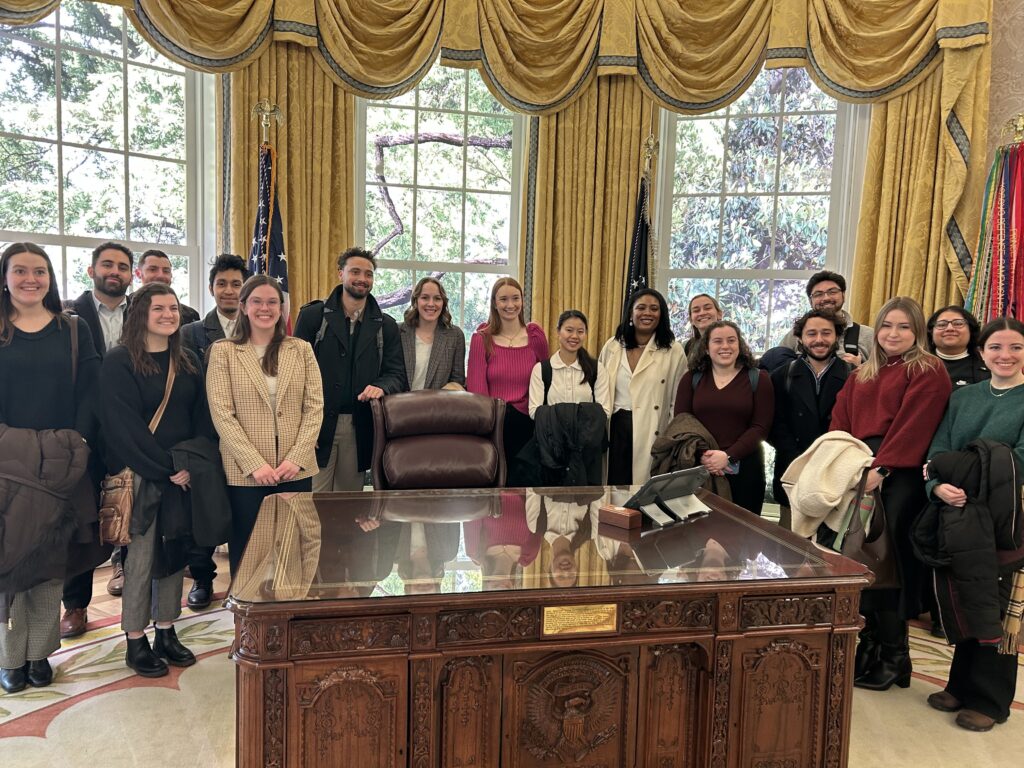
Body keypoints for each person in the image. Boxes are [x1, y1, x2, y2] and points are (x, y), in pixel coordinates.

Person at [829, 296, 951, 691]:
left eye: (903, 327)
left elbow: (916, 424)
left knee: (888, 559)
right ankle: (868, 647)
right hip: (859, 468)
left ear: (917, 331)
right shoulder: (862, 374)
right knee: (857, 558)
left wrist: (883, 467)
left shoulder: (928, 370)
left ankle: (896, 657)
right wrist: (844, 463)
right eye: (886, 326)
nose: (893, 334)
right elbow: (840, 420)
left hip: (898, 474)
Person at [0, 243, 100, 693]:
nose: (30, 279)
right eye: (19, 271)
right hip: (5, 464)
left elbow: (92, 393)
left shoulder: (73, 330)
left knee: (48, 566)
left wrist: (77, 442)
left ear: (50, 277)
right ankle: (8, 659)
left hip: (62, 463)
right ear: (4, 277)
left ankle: (39, 653)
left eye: (39, 271)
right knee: (6, 565)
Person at [98, 282, 211, 677]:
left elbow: (201, 418)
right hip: (142, 476)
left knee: (174, 556)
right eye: (158, 308)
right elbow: (122, 429)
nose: (168, 314)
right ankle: (134, 639)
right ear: (140, 314)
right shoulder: (119, 362)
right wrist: (167, 469)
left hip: (180, 477)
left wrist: (189, 464)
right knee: (142, 560)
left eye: (173, 308)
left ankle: (166, 630)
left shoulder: (190, 359)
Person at [919, 316, 1024, 732]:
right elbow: (937, 450)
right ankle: (960, 684)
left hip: (1005, 516)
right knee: (961, 594)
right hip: (956, 506)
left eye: (1015, 347)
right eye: (996, 347)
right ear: (982, 353)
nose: (1005, 355)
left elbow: (1018, 460)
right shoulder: (964, 397)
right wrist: (938, 487)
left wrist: (957, 470)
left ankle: (991, 698)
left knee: (994, 603)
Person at [207, 275, 324, 575]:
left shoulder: (301, 349)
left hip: (294, 469)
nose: (265, 308)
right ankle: (247, 618)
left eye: (272, 302)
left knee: (295, 547)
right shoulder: (224, 351)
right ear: (244, 306)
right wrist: (254, 464)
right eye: (257, 301)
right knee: (249, 552)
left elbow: (314, 407)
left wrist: (296, 458)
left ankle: (291, 612)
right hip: (246, 474)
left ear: (282, 308)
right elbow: (222, 414)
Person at [60, 241, 133, 634]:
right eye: (107, 264)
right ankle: (75, 605)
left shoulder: (143, 311)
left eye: (123, 266)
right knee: (81, 520)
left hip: (130, 430)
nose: (115, 272)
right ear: (91, 270)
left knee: (131, 510)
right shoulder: (68, 315)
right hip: (84, 431)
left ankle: (136, 596)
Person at [294, 247, 406, 492]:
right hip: (316, 424)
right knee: (314, 502)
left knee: (348, 505)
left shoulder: (386, 326)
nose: (362, 279)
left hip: (358, 426)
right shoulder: (312, 317)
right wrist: (300, 429)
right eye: (355, 271)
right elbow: (293, 375)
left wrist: (381, 386)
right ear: (340, 274)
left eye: (369, 274)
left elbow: (397, 375)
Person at [179, 253, 249, 609]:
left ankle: (245, 578)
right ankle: (203, 579)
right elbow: (186, 391)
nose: (229, 290)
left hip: (249, 437)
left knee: (241, 510)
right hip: (205, 436)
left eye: (236, 284)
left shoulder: (258, 330)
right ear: (211, 288)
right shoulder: (190, 334)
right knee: (203, 510)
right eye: (222, 283)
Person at [674, 321, 774, 516]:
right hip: (699, 468)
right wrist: (704, 456)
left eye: (731, 340)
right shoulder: (691, 379)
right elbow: (682, 423)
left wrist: (727, 457)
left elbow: (761, 427)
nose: (725, 346)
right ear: (706, 347)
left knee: (742, 538)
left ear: (740, 344)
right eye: (717, 341)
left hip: (746, 471)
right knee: (697, 537)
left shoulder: (759, 379)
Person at [767, 310, 851, 529]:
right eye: (811, 334)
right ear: (800, 339)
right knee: (789, 546)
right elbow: (773, 424)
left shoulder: (854, 377)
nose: (819, 340)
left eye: (826, 333)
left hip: (836, 473)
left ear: (837, 336)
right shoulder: (781, 376)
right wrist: (800, 459)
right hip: (792, 468)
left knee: (830, 549)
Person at [466, 277, 549, 486]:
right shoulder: (481, 339)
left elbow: (547, 382)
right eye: (503, 299)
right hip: (495, 423)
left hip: (529, 424)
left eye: (515, 298)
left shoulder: (536, 337)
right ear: (494, 303)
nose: (510, 305)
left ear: (522, 300)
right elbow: (477, 393)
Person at [599, 288, 686, 484]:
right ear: (631, 312)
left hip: (652, 429)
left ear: (661, 314)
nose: (647, 313)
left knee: (644, 489)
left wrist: (669, 438)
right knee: (614, 489)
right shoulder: (613, 346)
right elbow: (601, 390)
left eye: (654, 308)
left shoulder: (673, 350)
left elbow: (676, 401)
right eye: (641, 308)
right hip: (615, 428)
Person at [526, 310, 611, 486]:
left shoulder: (597, 369)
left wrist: (564, 419)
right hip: (552, 451)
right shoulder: (542, 370)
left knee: (587, 506)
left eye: (580, 331)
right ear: (558, 331)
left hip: (587, 451)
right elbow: (535, 411)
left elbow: (604, 411)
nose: (574, 336)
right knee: (552, 505)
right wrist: (573, 419)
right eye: (569, 330)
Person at [779, 270, 873, 365]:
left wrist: (861, 369)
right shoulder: (795, 335)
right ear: (810, 301)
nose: (826, 298)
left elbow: (884, 375)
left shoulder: (868, 335)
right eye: (818, 294)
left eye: (832, 292)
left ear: (843, 295)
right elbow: (777, 366)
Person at [398, 276, 465, 390]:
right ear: (416, 301)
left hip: (439, 405)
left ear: (443, 303)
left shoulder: (455, 335)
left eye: (437, 298)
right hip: (399, 405)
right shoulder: (398, 331)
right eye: (425, 297)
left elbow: (457, 380)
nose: (431, 304)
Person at [926, 305, 989, 389]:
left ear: (971, 330)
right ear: (931, 332)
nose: (949, 328)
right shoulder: (917, 364)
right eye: (941, 325)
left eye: (958, 323)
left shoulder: (987, 364)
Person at [135, 248, 200, 324]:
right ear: (138, 273)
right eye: (153, 269)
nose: (160, 275)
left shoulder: (190, 316)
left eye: (166, 271)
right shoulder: (124, 310)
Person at [682, 293, 723, 361]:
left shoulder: (733, 343)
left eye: (707, 308)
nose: (702, 313)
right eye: (696, 310)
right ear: (691, 320)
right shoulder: (687, 346)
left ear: (719, 314)